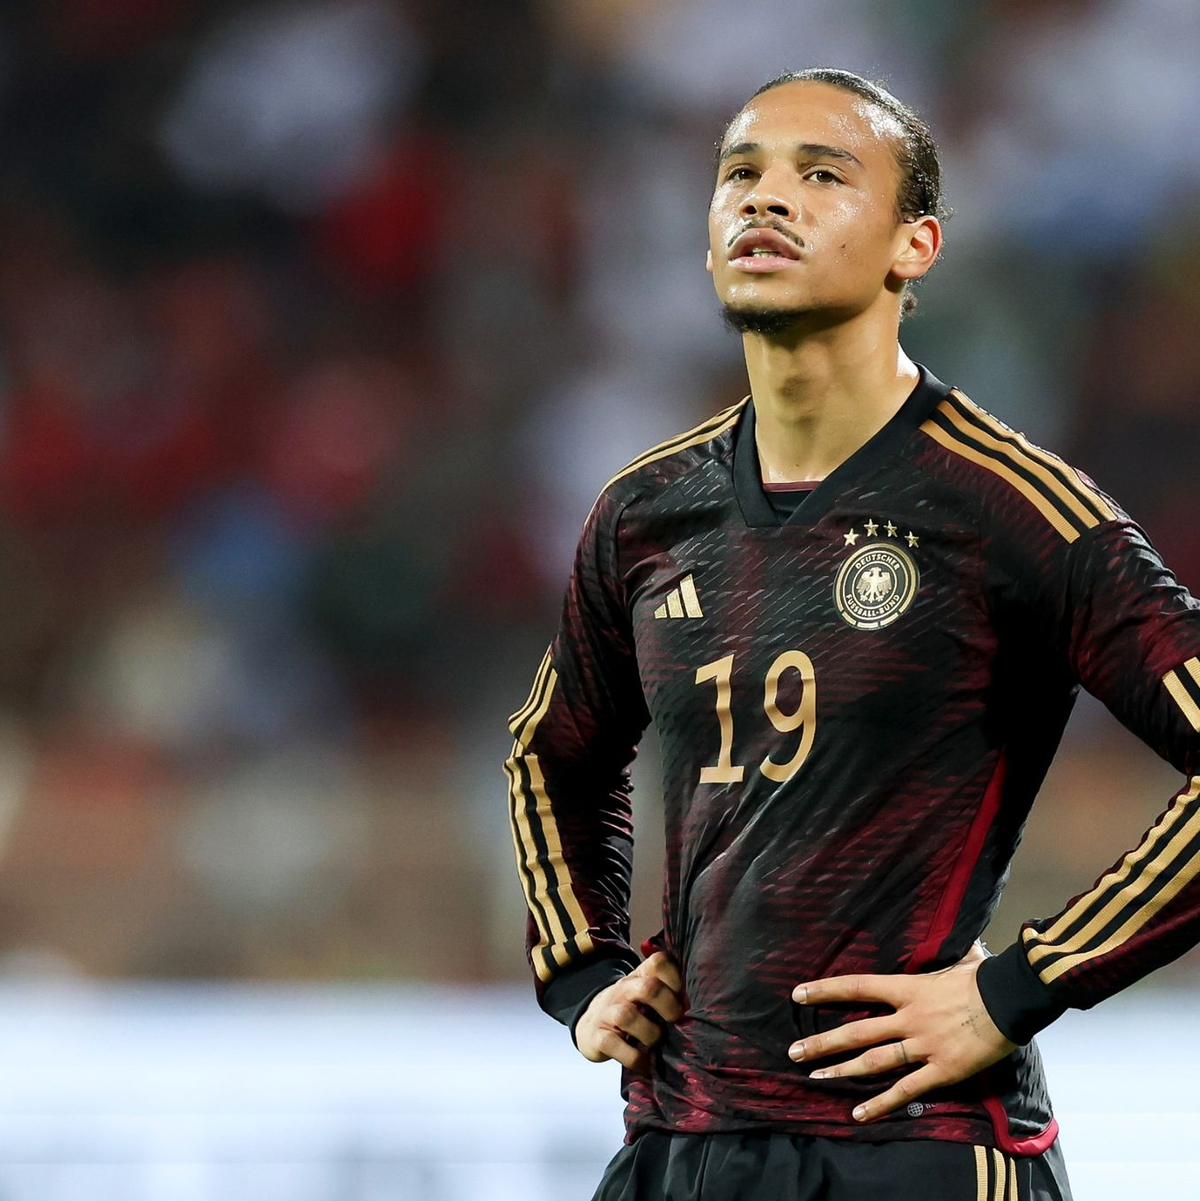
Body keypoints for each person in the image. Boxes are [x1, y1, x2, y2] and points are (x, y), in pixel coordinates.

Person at [506, 67, 1200, 1200]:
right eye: (741, 174)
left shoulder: (1011, 507)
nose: (764, 199)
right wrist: (581, 971)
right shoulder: (648, 511)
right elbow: (557, 751)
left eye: (821, 174)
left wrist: (1020, 985)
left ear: (913, 246)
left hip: (917, 1151)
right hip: (680, 1144)